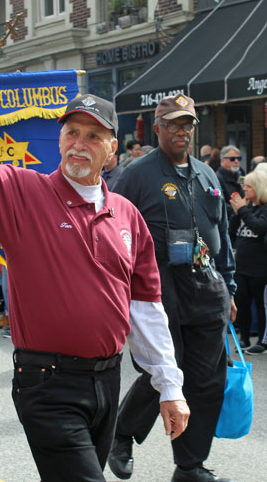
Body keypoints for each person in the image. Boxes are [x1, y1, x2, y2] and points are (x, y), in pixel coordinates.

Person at [0, 8, 189, 482]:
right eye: (71, 132)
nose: (79, 143)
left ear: (112, 150)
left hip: (107, 381)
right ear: (59, 138)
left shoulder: (128, 218)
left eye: (93, 136)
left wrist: (169, 386)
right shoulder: (21, 192)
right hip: (46, 384)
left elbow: (147, 310)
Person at [110, 94, 237, 482]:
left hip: (206, 291)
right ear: (158, 127)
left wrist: (229, 286)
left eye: (187, 125)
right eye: (173, 124)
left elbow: (223, 234)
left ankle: (190, 465)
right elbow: (113, 231)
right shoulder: (136, 174)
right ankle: (122, 435)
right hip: (159, 291)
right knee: (162, 373)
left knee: (207, 381)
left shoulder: (207, 173)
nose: (181, 131)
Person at [229, 170, 267, 354]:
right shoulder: (248, 208)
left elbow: (258, 228)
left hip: (260, 266)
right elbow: (231, 232)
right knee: (242, 302)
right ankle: (244, 338)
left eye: (249, 186)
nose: (244, 188)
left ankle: (261, 339)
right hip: (242, 264)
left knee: (260, 304)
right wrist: (237, 214)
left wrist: (242, 210)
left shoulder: (264, 209)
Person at [216, 145, 244, 218]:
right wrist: (238, 209)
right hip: (228, 218)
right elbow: (219, 203)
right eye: (232, 159)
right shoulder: (217, 178)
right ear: (222, 160)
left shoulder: (240, 174)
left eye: (239, 158)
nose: (236, 161)